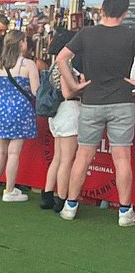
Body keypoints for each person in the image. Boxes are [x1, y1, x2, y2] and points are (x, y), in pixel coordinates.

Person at [57, 0, 135, 225]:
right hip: (122, 100)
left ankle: (71, 205)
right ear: (124, 13)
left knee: (83, 155)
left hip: (92, 100)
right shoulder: (130, 34)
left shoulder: (86, 33)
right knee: (122, 157)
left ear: (102, 10)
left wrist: (73, 86)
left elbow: (61, 58)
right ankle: (125, 211)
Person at [0, 30, 40, 202]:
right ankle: (9, 190)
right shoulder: (28, 64)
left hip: (1, 108)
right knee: (14, 152)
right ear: (20, 43)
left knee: (1, 150)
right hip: (21, 110)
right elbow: (36, 91)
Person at [40, 29, 81, 212]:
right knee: (66, 160)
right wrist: (81, 86)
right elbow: (67, 92)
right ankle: (62, 198)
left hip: (56, 113)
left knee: (58, 157)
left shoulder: (54, 64)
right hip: (68, 110)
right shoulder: (67, 64)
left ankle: (48, 194)